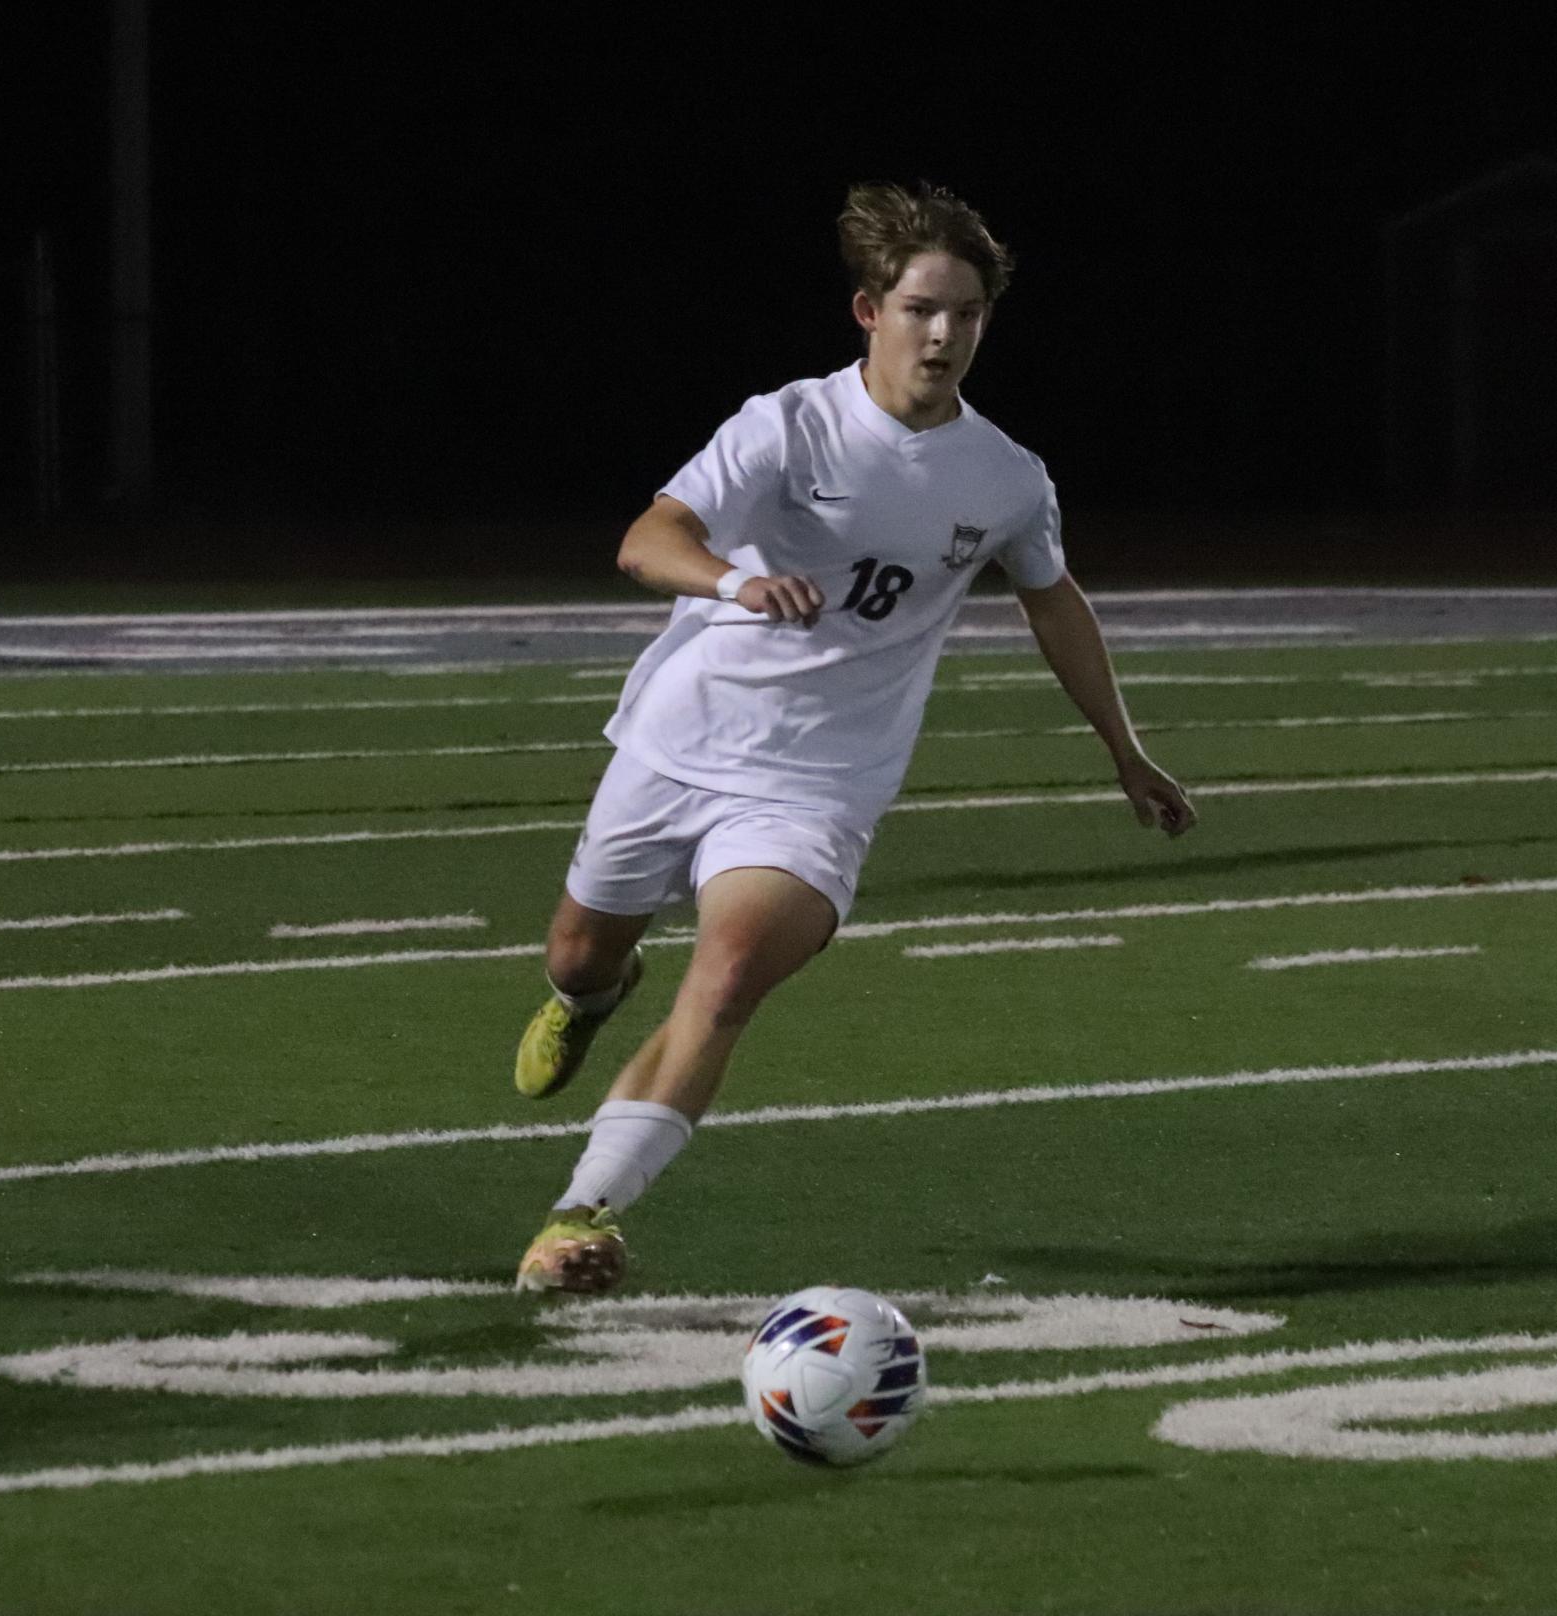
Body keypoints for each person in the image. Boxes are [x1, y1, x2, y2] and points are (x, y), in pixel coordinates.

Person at [510, 180, 1197, 1294]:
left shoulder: (1007, 477)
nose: (945, 334)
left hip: (821, 786)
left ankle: (584, 1211)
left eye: (967, 314)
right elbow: (649, 538)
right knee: (577, 951)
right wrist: (733, 581)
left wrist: (1125, 747)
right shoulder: (785, 425)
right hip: (682, 740)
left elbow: (1054, 599)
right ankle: (590, 995)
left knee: (729, 973)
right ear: (869, 312)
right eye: (923, 308)